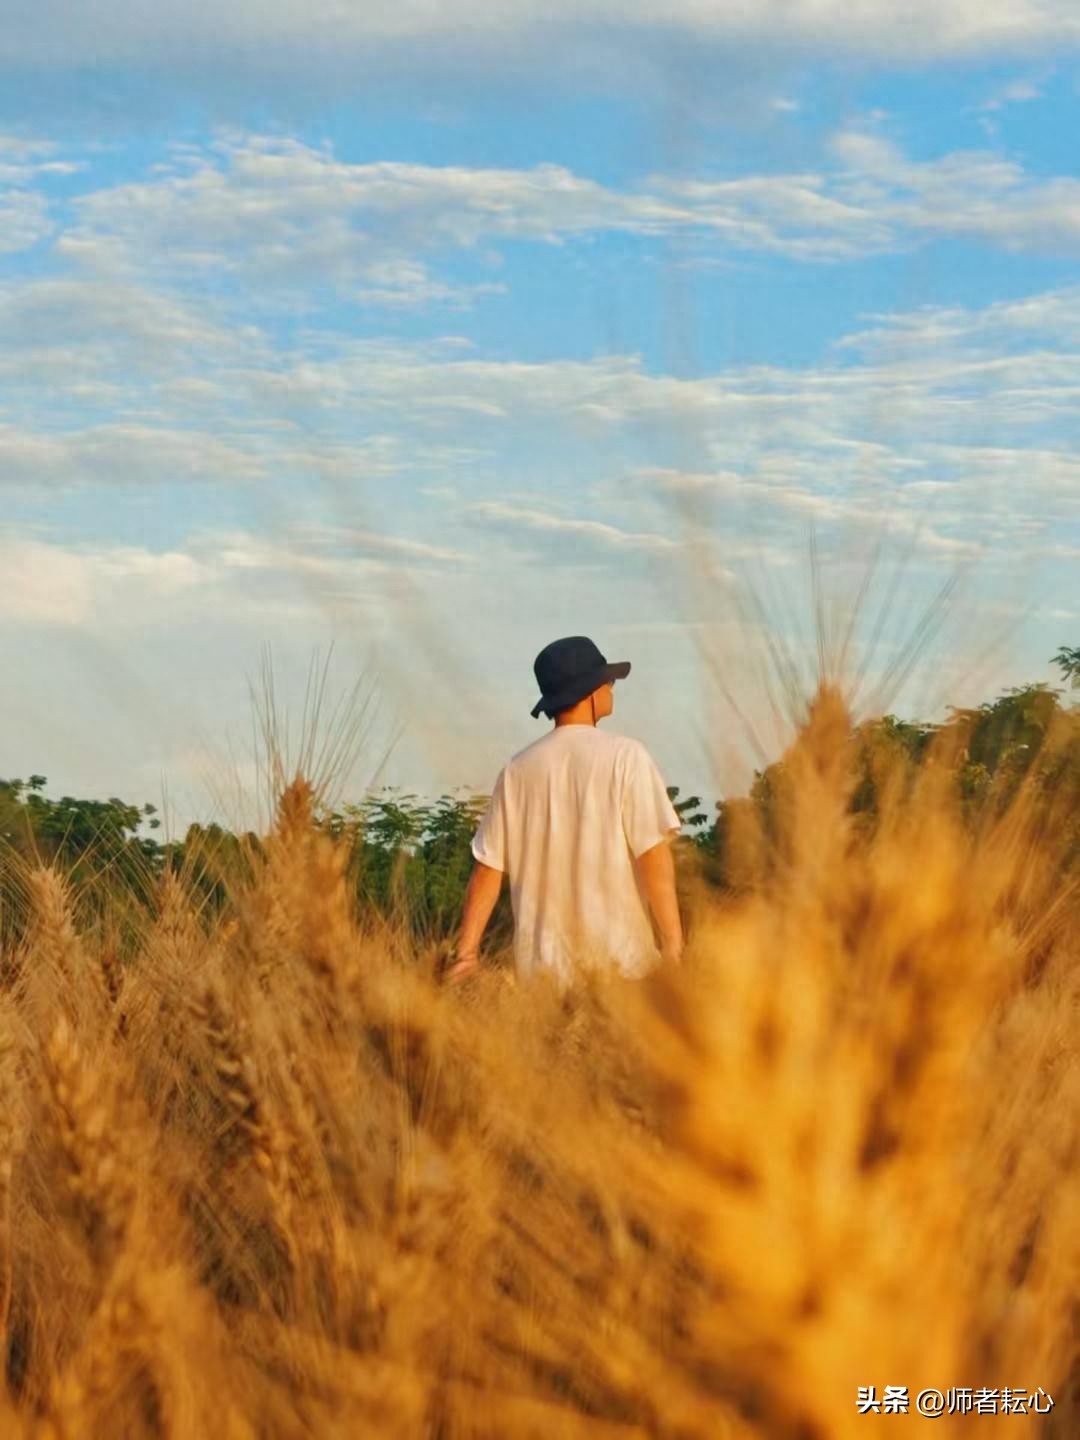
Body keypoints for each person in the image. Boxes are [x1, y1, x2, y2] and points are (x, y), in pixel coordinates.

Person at [446, 635, 685, 987]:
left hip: (540, 985)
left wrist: (466, 954)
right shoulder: (626, 757)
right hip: (624, 976)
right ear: (590, 692)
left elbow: (488, 870)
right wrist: (673, 947)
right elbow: (653, 857)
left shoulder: (516, 771)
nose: (612, 688)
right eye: (609, 681)